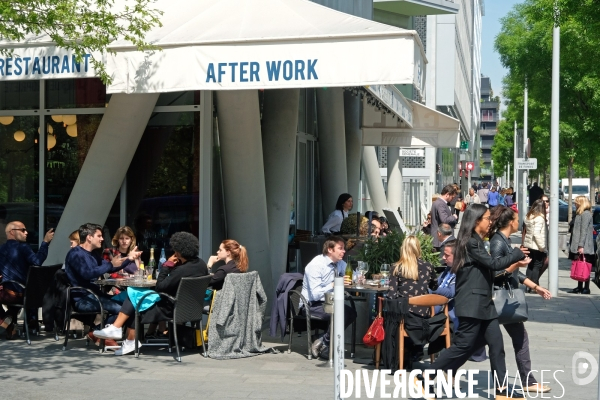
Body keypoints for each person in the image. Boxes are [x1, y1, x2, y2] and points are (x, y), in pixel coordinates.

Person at [415, 204, 531, 399]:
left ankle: (501, 390)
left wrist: (514, 265)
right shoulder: (469, 243)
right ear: (476, 221)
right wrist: (516, 254)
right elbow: (493, 264)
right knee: (463, 345)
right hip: (471, 304)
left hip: (484, 304)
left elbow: (491, 272)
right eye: (487, 218)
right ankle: (425, 376)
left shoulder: (477, 242)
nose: (490, 221)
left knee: (496, 346)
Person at [94, 232, 209, 355]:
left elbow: (160, 287)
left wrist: (166, 266)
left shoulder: (182, 270)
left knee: (135, 301)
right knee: (136, 296)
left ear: (179, 251)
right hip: (190, 307)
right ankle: (122, 333)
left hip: (171, 307)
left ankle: (124, 334)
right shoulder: (200, 264)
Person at [488, 205, 552, 394]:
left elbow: (514, 271)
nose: (519, 222)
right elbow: (495, 273)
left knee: (519, 339)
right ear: (510, 222)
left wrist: (536, 287)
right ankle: (442, 372)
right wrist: (516, 262)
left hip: (504, 300)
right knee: (472, 342)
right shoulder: (498, 243)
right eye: (517, 219)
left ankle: (528, 380)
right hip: (499, 299)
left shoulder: (504, 241)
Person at [64, 223, 142, 336]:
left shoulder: (93, 254)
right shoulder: (76, 254)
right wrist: (110, 264)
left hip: (95, 295)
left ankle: (97, 332)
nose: (102, 239)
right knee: (123, 310)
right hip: (83, 299)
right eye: (99, 236)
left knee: (129, 306)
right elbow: (87, 274)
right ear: (89, 237)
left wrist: (129, 259)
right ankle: (97, 333)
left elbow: (111, 268)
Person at [302, 236, 356, 359]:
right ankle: (326, 343)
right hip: (312, 304)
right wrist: (335, 283)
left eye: (344, 248)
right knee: (342, 312)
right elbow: (315, 294)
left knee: (351, 312)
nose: (344, 251)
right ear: (330, 250)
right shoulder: (316, 265)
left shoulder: (340, 263)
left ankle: (322, 340)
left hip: (331, 302)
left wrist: (357, 278)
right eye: (340, 248)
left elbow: (349, 276)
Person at [0, 221, 55, 338]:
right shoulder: (23, 247)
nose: (26, 233)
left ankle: (6, 319)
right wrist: (45, 242)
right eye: (23, 230)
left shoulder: (2, 249)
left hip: (11, 294)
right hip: (26, 295)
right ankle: (11, 325)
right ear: (12, 233)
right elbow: (37, 261)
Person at [389, 235, 436, 318]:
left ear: (403, 249)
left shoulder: (396, 267)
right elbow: (434, 287)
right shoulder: (428, 266)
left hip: (404, 315)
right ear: (418, 249)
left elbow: (392, 295)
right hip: (424, 315)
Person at [569, 196, 595, 294]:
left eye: (576, 202)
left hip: (585, 245)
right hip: (579, 244)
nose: (575, 204)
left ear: (581, 203)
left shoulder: (586, 214)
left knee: (585, 265)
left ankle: (586, 287)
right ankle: (580, 286)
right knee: (580, 265)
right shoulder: (580, 213)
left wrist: (581, 245)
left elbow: (583, 231)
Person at [431, 241, 458, 331]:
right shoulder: (448, 269)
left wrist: (431, 289)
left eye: (447, 255)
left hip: (447, 310)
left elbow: (451, 292)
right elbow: (437, 284)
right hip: (436, 306)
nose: (443, 257)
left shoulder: (459, 272)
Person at [523, 200, 548, 288]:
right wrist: (542, 246)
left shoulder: (528, 217)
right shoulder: (539, 218)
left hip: (529, 244)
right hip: (537, 245)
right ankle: (533, 285)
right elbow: (536, 233)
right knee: (537, 265)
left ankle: (528, 285)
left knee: (530, 265)